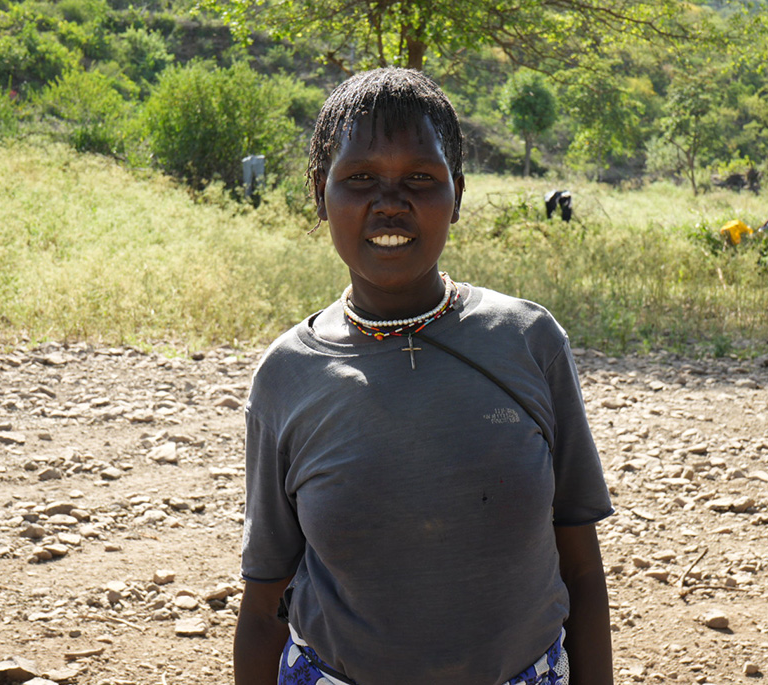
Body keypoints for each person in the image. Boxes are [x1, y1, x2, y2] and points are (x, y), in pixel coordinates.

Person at [234, 67, 614, 685]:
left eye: (420, 178)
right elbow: (262, 603)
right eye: (359, 178)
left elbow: (582, 572)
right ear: (319, 194)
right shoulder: (288, 376)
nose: (390, 201)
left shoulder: (528, 341)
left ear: (456, 194)